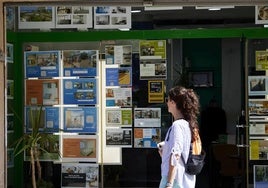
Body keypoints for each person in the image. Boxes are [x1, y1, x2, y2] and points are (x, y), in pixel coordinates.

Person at [158, 86, 200, 188]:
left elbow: (176, 154)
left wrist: (169, 183)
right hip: (184, 179)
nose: (167, 103)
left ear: (173, 102)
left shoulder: (177, 125)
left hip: (175, 179)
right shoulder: (188, 124)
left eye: (168, 100)